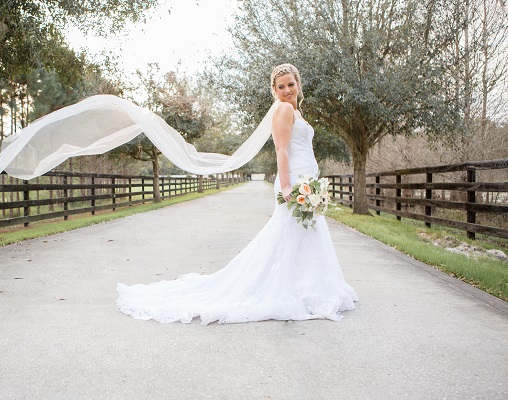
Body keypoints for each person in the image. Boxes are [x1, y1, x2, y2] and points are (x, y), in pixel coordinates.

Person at [116, 64, 358, 324]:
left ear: (298, 84)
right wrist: (287, 186)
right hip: (294, 183)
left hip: (306, 181)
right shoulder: (284, 109)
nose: (287, 90)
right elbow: (281, 150)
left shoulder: (297, 112)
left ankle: (309, 288)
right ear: (274, 91)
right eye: (281, 87)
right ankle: (295, 290)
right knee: (290, 233)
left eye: (291, 84)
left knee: (305, 233)